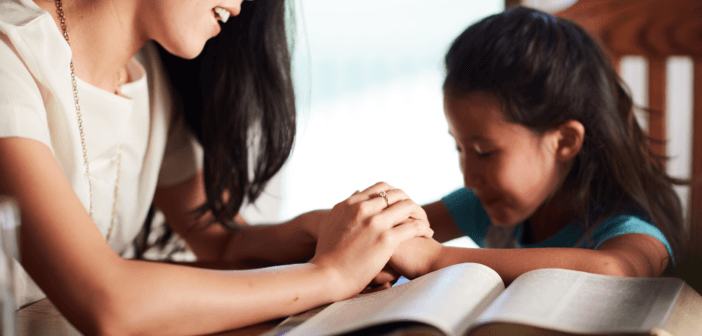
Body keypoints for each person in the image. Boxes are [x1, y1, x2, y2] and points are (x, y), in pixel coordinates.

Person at [0, 0, 432, 334]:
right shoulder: (9, 56)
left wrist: (318, 230)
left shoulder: (146, 74)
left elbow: (221, 244)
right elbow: (108, 304)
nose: (242, 6)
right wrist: (329, 275)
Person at [383, 7, 685, 284]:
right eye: (460, 149)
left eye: (483, 152)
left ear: (564, 142)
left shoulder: (626, 230)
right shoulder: (485, 204)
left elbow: (613, 270)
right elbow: (391, 236)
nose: (469, 178)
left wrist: (434, 259)